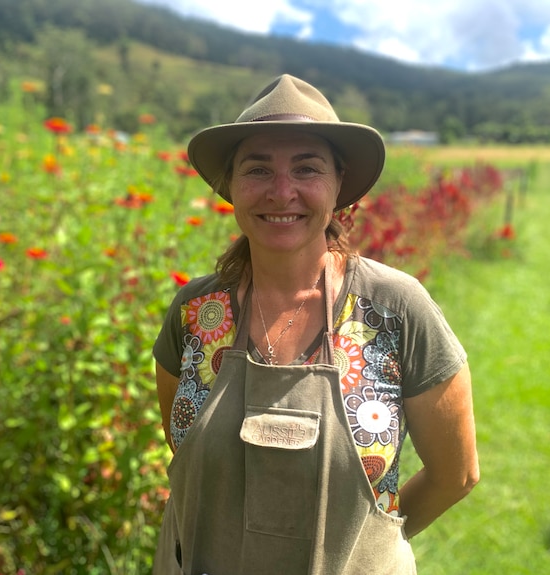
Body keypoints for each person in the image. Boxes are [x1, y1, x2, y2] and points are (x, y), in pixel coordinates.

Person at [151, 74, 479, 575]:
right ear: (231, 187)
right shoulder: (197, 313)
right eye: (258, 170)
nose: (282, 193)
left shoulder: (395, 310)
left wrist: (372, 544)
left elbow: (455, 475)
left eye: (307, 169)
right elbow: (187, 457)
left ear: (339, 185)